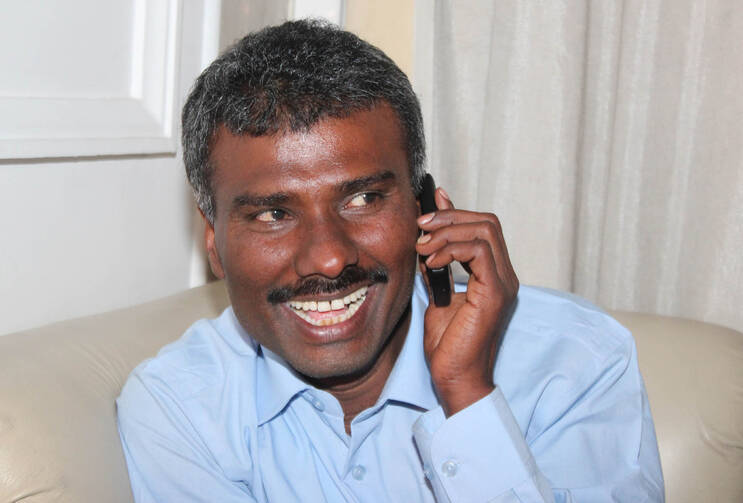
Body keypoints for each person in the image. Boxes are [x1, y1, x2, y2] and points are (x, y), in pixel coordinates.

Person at [116, 19, 664, 502]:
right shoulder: (179, 407)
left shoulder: (574, 363)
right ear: (214, 244)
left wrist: (468, 396)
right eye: (272, 214)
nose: (329, 258)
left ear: (427, 210)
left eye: (363, 199)